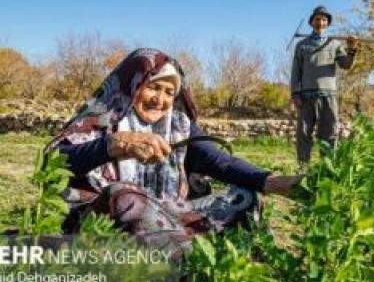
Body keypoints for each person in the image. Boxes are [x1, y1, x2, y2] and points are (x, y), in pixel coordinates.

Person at [47, 48, 302, 254]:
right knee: (123, 196)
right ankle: (182, 264)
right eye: (154, 87)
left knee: (245, 198)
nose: (161, 99)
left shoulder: (179, 126)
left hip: (168, 214)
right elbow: (54, 160)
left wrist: (272, 182)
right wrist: (113, 144)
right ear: (133, 85)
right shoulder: (103, 119)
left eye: (170, 92)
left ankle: (194, 254)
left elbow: (219, 162)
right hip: (107, 223)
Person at [290, 5, 357, 167]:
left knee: (329, 134)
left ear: (328, 23)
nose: (320, 22)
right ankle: (303, 168)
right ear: (311, 22)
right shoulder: (302, 45)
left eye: (324, 19)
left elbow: (346, 65)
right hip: (306, 96)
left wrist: (352, 48)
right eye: (317, 19)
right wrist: (295, 94)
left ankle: (327, 168)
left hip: (328, 95)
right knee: (303, 133)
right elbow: (295, 72)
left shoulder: (335, 44)